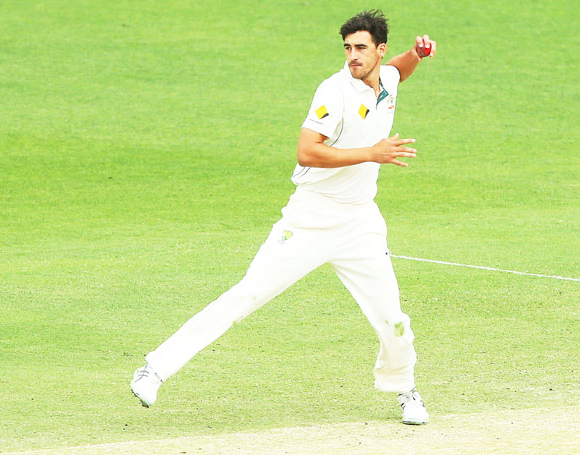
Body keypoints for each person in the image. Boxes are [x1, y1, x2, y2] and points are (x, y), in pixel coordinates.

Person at [131, 10, 436, 425]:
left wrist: (417, 54)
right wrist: (372, 153)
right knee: (247, 294)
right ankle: (155, 369)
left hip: (360, 222)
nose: (352, 56)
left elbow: (399, 70)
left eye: (361, 48)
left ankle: (405, 388)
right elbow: (307, 152)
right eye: (347, 48)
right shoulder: (333, 91)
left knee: (393, 319)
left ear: (379, 51)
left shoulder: (387, 79)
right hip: (310, 217)